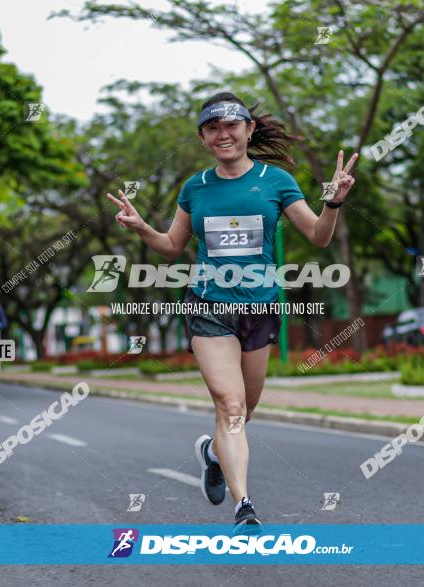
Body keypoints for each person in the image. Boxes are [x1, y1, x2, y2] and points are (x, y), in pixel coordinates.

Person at [107, 92, 357, 533]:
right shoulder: (195, 187)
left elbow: (318, 237)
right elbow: (172, 247)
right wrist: (143, 226)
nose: (223, 134)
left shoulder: (276, 181)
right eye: (212, 128)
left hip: (260, 310)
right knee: (231, 403)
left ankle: (211, 454)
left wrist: (333, 202)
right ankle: (245, 506)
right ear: (203, 137)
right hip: (210, 308)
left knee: (242, 413)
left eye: (231, 125)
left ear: (248, 129)